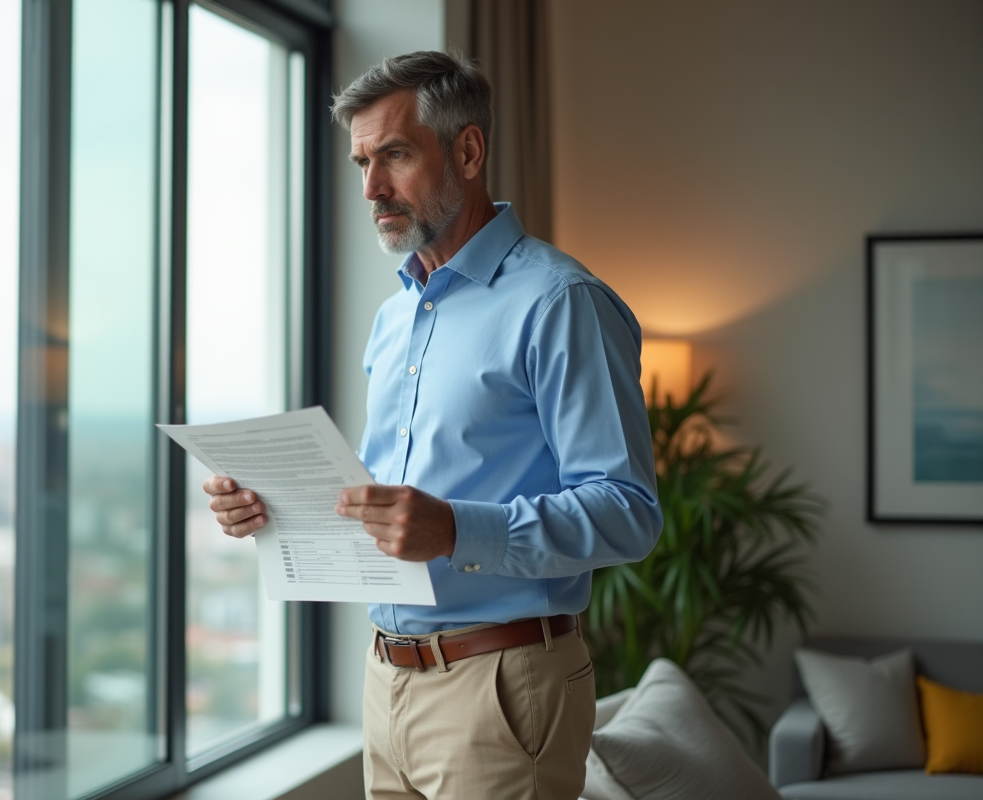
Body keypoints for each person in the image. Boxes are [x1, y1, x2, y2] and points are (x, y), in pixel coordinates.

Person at [204, 50, 662, 800]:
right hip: (386, 682)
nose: (370, 188)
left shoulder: (560, 303)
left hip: (502, 689)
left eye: (395, 155)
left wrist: (458, 531)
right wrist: (272, 504)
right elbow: (392, 502)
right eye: (360, 162)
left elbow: (628, 513)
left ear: (469, 151)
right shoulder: (394, 317)